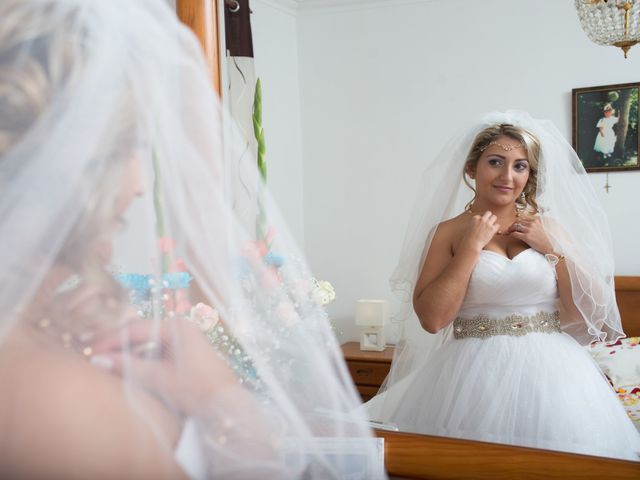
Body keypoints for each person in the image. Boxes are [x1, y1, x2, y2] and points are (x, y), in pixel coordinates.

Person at [0, 0, 383, 478]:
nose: (141, 184)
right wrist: (221, 398)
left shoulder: (38, 340)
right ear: (61, 164)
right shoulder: (53, 400)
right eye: (127, 150)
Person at [366, 111, 640, 461]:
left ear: (530, 174)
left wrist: (554, 250)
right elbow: (433, 320)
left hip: (555, 373)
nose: (507, 176)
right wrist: (468, 248)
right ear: (471, 168)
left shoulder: (549, 230)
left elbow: (588, 312)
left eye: (520, 166)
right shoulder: (446, 233)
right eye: (496, 162)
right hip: (469, 374)